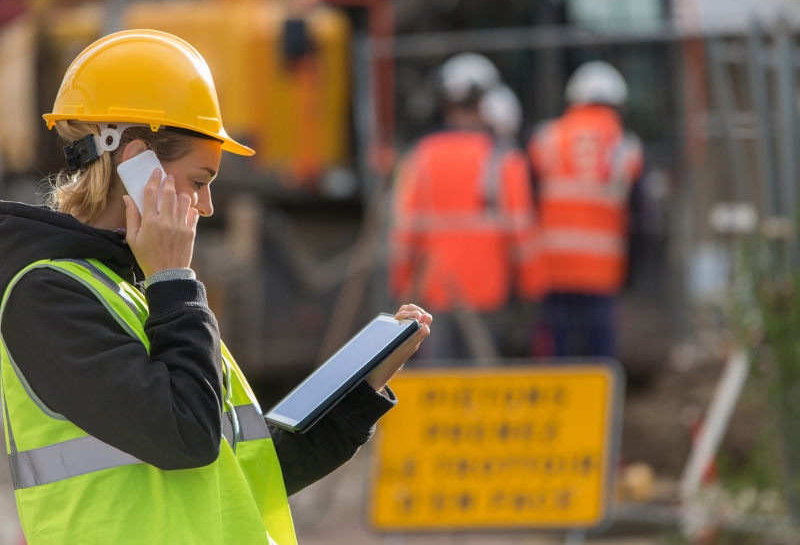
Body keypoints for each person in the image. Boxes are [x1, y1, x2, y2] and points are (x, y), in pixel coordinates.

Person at [0, 29, 431, 545]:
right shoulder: (46, 296)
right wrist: (173, 278)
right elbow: (189, 435)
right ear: (139, 163)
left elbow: (243, 471)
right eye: (200, 180)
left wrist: (360, 394)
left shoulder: (133, 290)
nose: (206, 206)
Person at [388, 54, 546, 359]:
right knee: (483, 382)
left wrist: (403, 287)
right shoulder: (505, 159)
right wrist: (532, 291)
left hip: (435, 292)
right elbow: (522, 234)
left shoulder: (421, 156)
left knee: (441, 384)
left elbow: (403, 232)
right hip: (489, 292)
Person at [527, 61, 643, 357]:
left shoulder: (545, 139)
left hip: (552, 269)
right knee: (598, 362)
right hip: (602, 273)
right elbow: (642, 218)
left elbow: (526, 201)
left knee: (559, 359)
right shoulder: (626, 147)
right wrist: (634, 273)